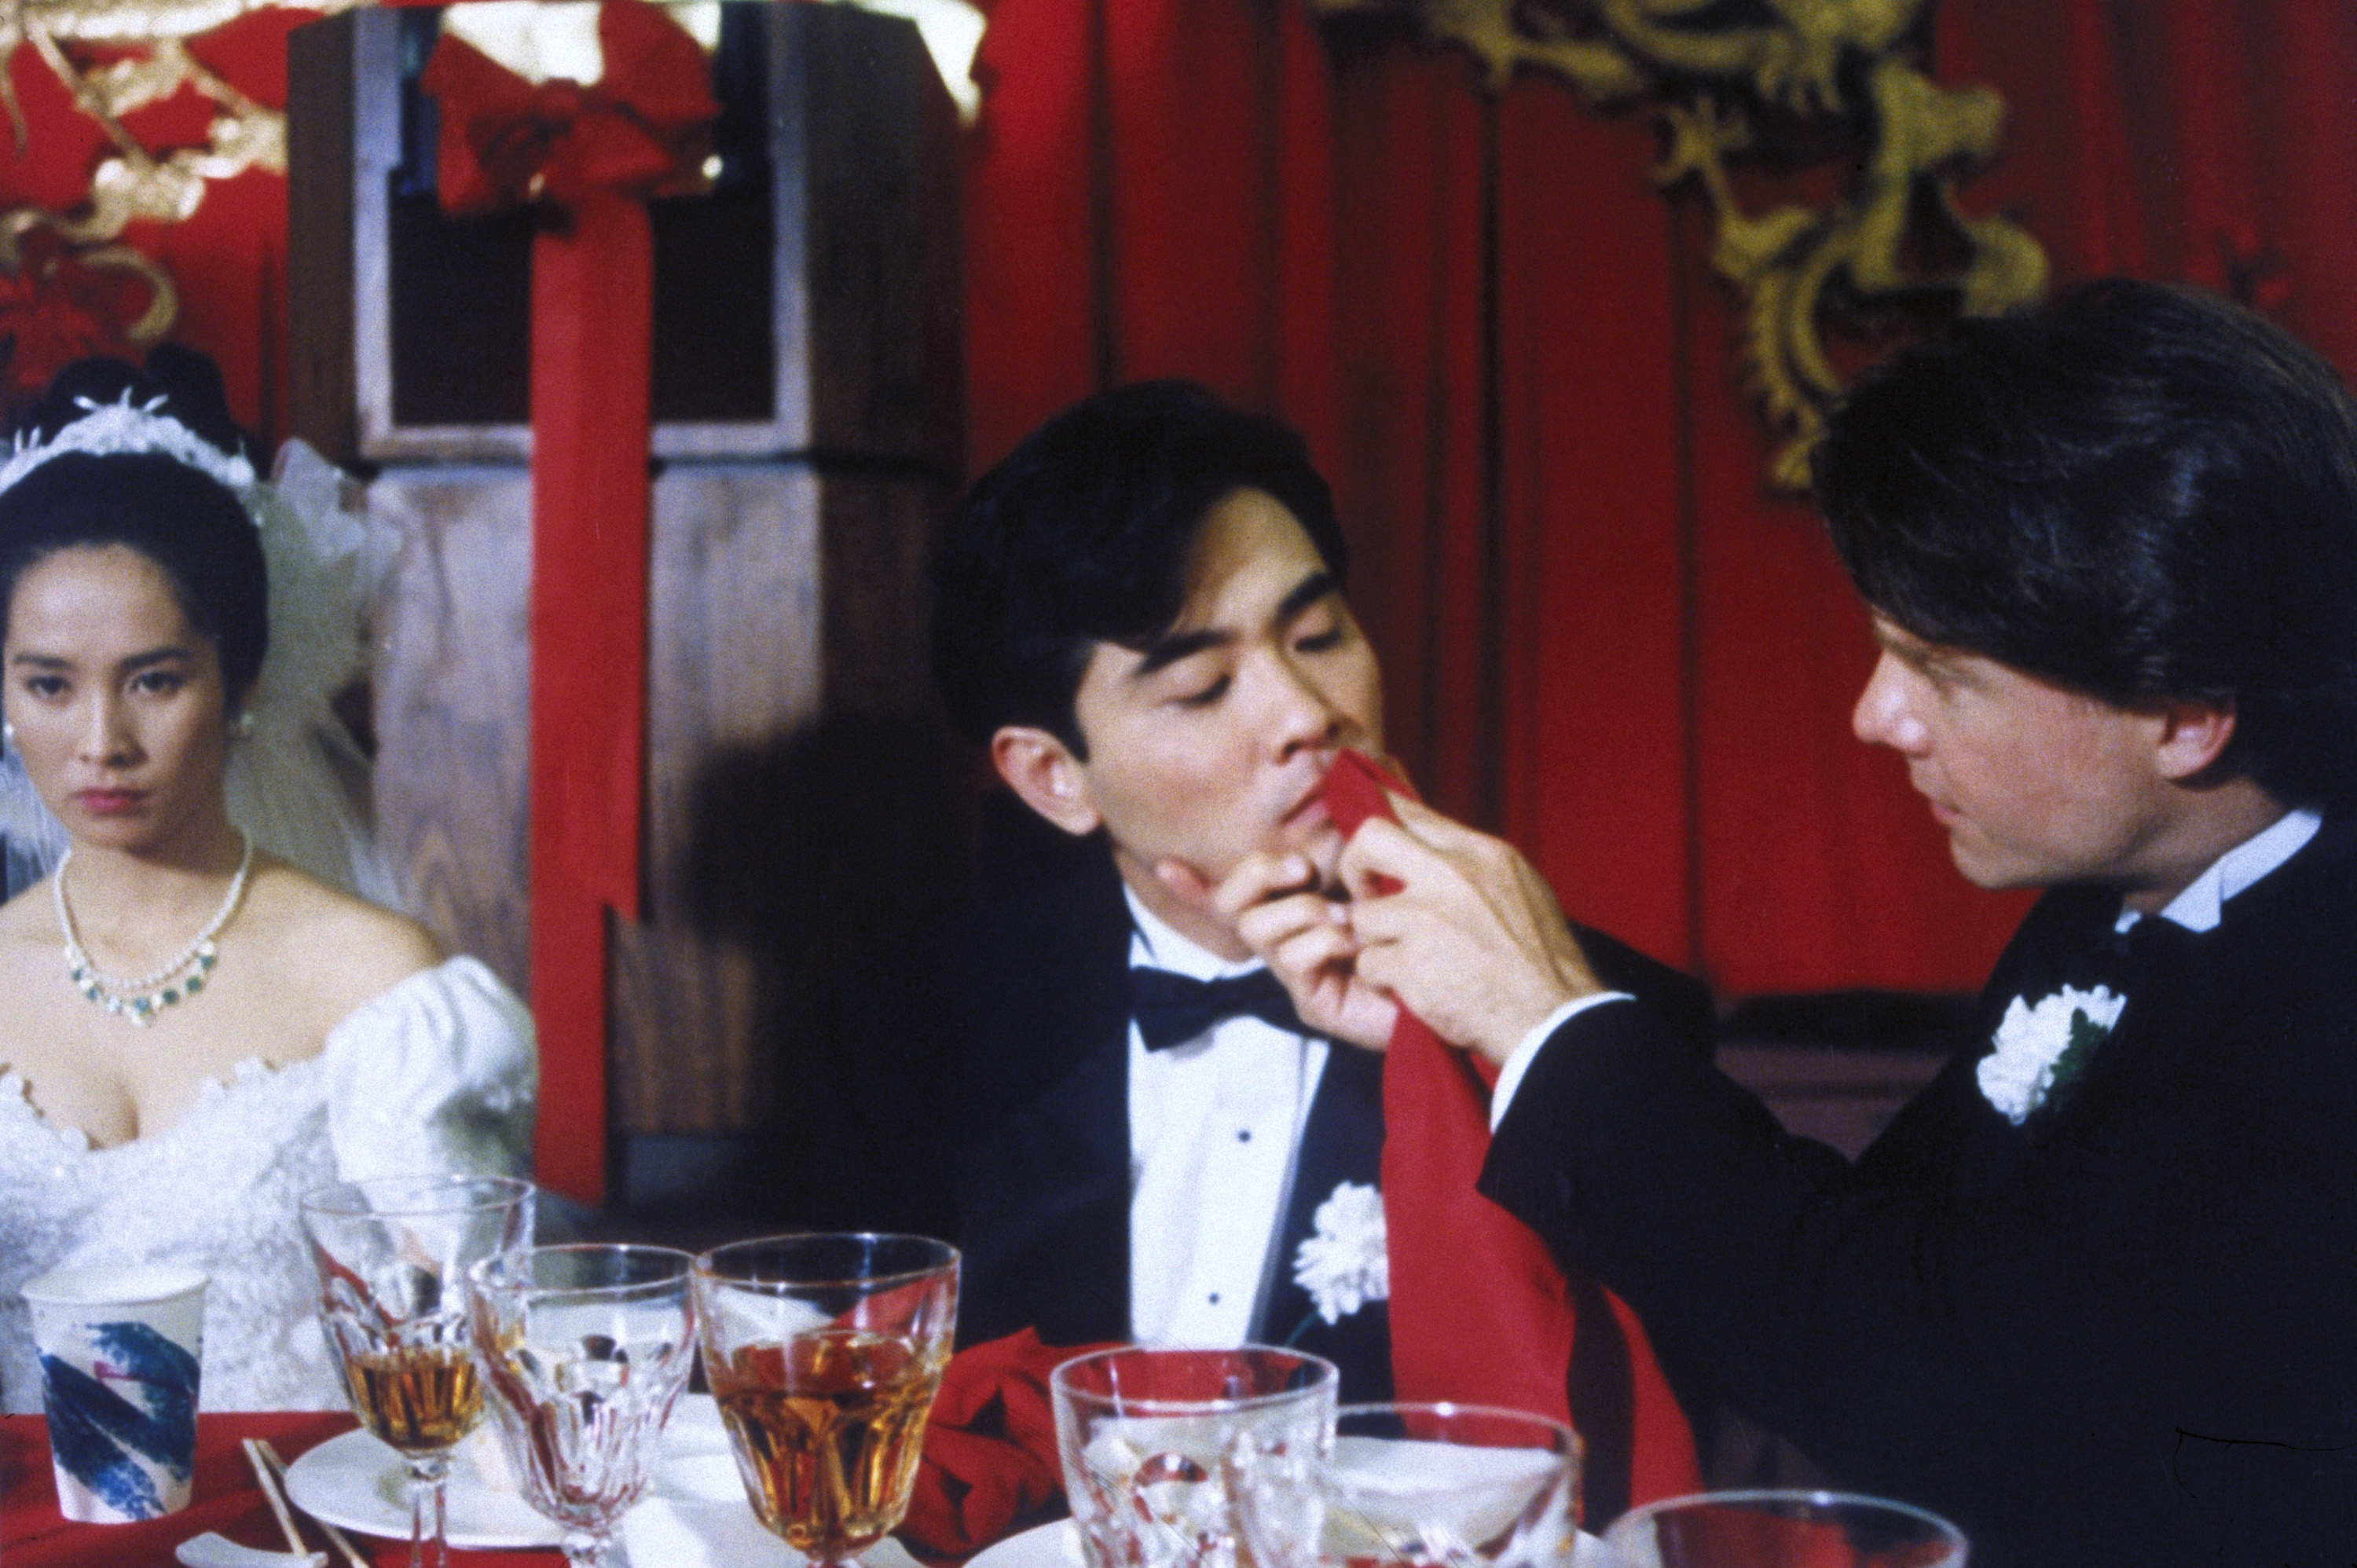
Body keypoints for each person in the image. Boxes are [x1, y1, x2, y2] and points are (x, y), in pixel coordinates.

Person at [1242, 280, 2357, 1566]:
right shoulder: (2133, 892)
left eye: (1940, 670)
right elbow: (1866, 1254)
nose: (1876, 717)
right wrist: (1488, 1001)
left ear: (2186, 712)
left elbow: (1926, 1390)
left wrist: (1546, 1019)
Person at [929, 382, 1713, 1505]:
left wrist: (1474, 1055)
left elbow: (1634, 1479)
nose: (1306, 713)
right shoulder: (919, 1029)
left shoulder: (1593, 1022)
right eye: (1202, 687)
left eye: (1319, 635)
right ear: (1055, 777)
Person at [0, 350, 535, 1413]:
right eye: (49, 686)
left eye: (155, 680)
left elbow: (466, 1373)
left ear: (243, 680)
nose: (101, 742)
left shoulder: (376, 981)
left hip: (298, 1523)